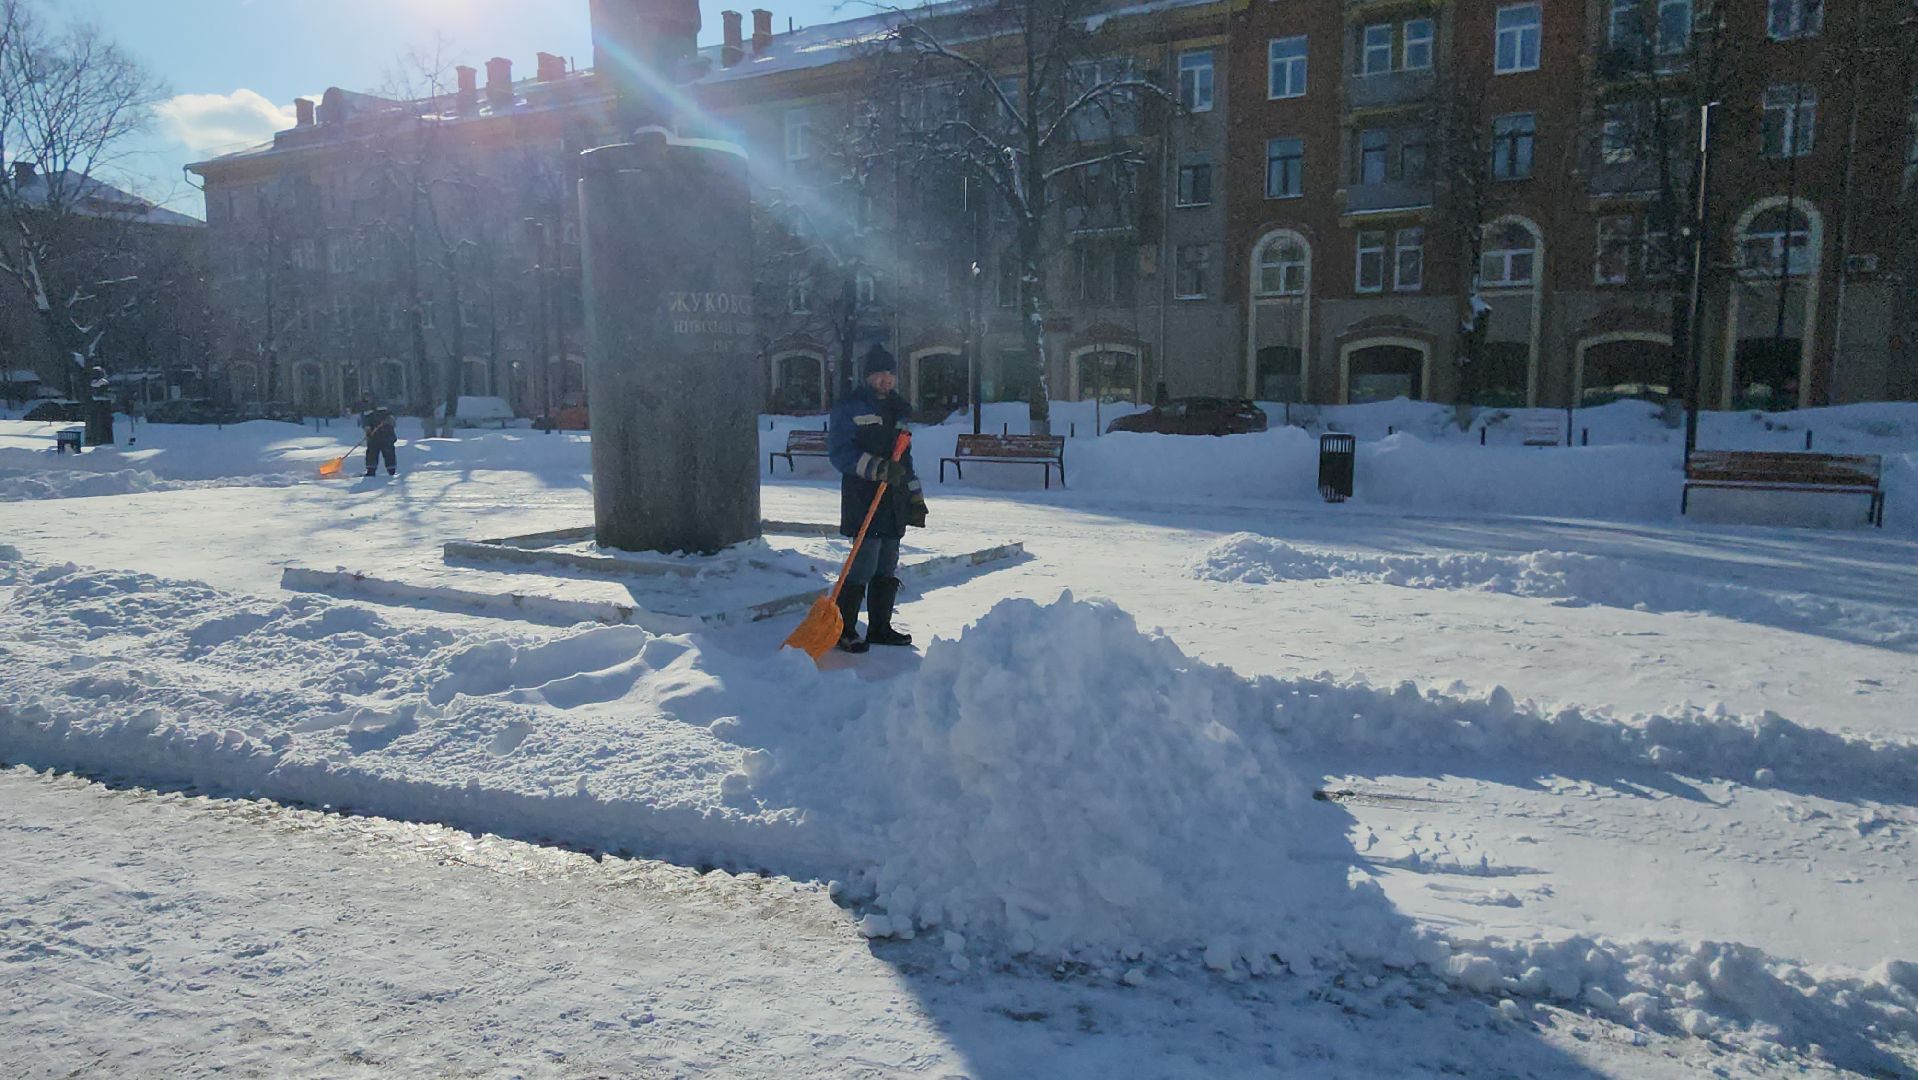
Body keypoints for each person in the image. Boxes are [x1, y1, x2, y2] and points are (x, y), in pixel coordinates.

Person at [827, 343, 928, 653]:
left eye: (890, 374)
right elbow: (840, 454)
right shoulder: (851, 407)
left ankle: (880, 627)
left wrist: (914, 495)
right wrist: (876, 468)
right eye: (880, 374)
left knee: (887, 563)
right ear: (868, 376)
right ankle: (844, 629)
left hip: (893, 499)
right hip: (863, 496)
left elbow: (904, 457)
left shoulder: (899, 408)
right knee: (863, 563)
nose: (886, 379)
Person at [360, 402, 398, 476]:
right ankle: (371, 471)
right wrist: (367, 428)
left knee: (389, 453)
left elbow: (392, 416)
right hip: (373, 436)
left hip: (387, 435)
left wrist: (390, 419)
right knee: (372, 453)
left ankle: (391, 471)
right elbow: (365, 420)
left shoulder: (385, 403)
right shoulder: (366, 407)